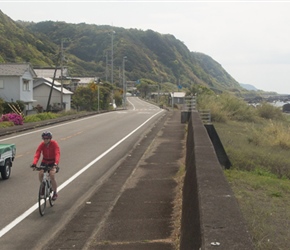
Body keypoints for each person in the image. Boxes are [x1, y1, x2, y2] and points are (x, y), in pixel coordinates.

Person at [31, 131, 60, 201]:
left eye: (47, 138)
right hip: (45, 161)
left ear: (50, 139)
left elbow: (57, 154)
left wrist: (56, 163)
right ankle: (43, 186)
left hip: (53, 162)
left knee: (52, 175)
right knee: (40, 173)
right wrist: (34, 163)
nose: (45, 140)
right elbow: (37, 153)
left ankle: (55, 192)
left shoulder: (54, 144)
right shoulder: (42, 144)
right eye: (44, 138)